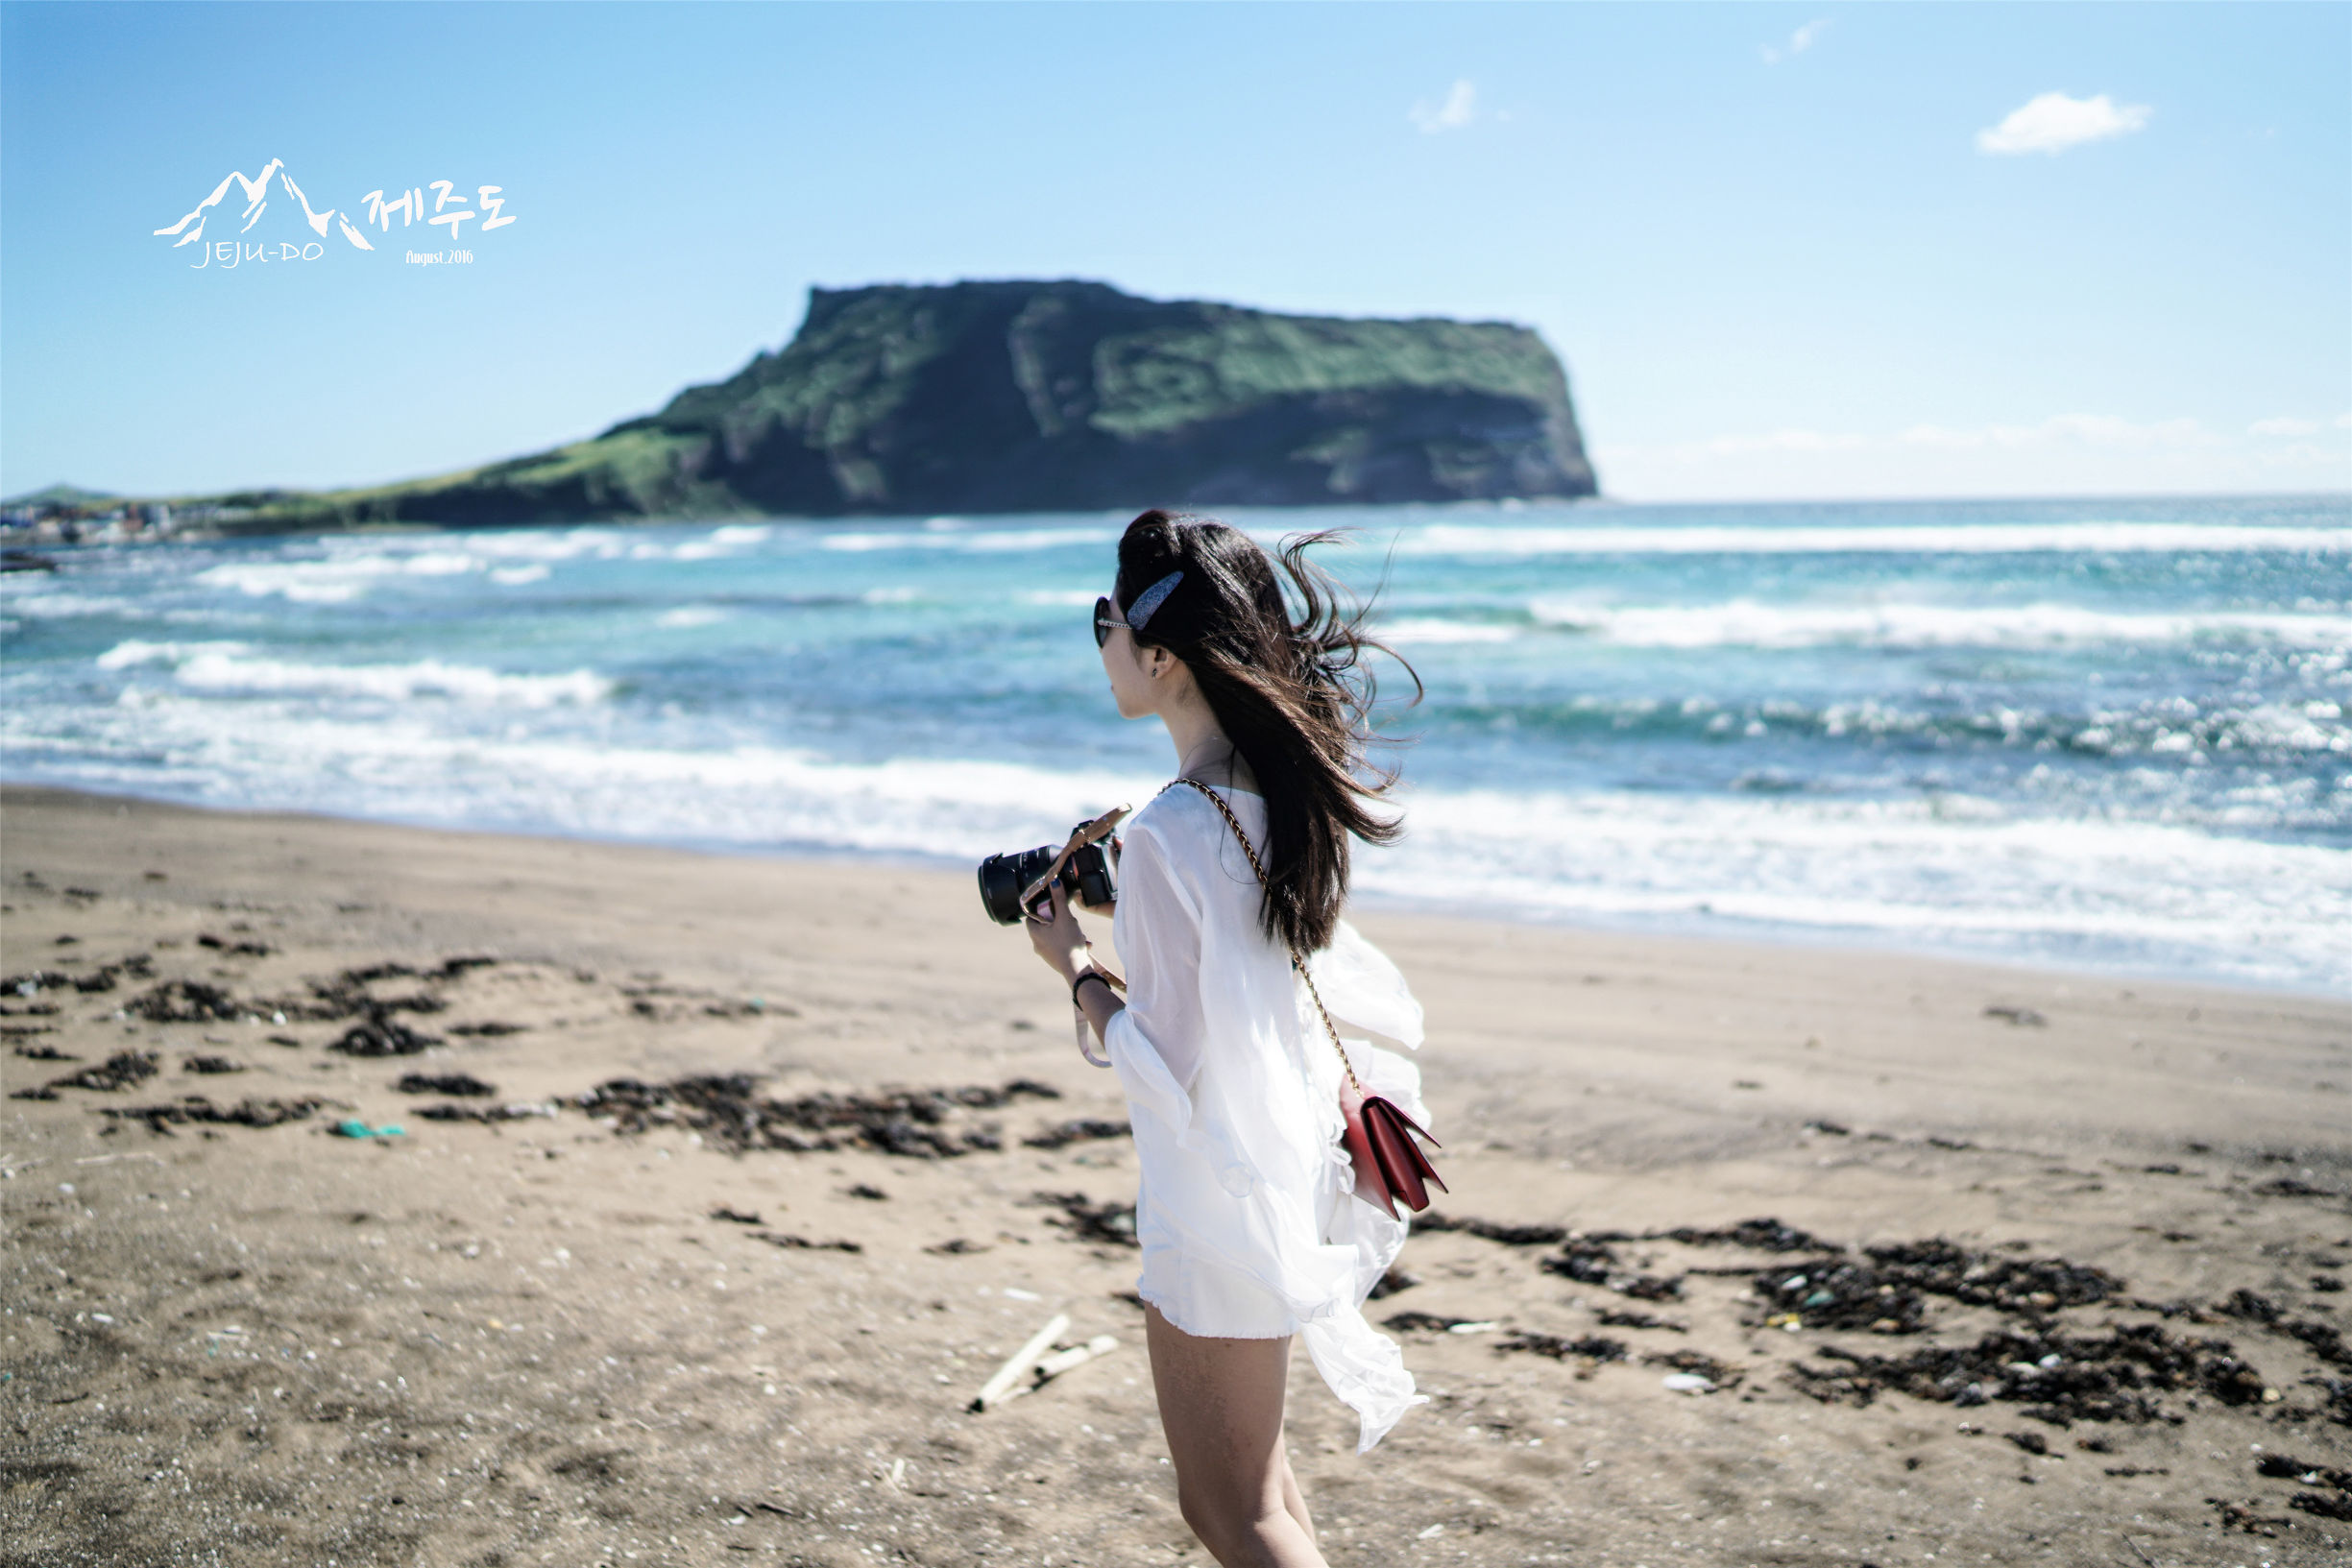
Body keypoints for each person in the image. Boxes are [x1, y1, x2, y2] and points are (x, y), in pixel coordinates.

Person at [1021, 509, 1434, 1568]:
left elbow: (1170, 1065)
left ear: (1160, 654)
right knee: (1265, 1489)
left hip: (1215, 1194)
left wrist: (1072, 962)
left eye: (1103, 618)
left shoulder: (1166, 827)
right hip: (1284, 1162)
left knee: (1230, 1512)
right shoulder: (1272, 797)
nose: (1103, 641)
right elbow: (1253, 972)